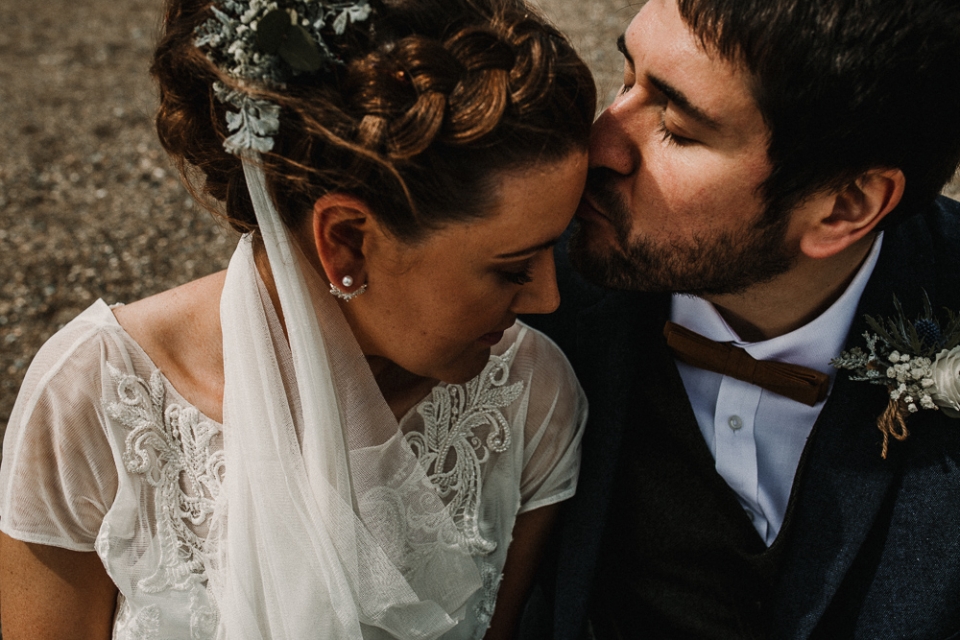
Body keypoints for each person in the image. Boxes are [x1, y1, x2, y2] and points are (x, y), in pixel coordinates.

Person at [0, 0, 597, 637]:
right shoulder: (96, 399)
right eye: (513, 268)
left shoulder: (529, 399)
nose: (548, 300)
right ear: (344, 239)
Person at [521, 0, 960, 637]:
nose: (599, 146)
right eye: (626, 79)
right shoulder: (519, 293)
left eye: (675, 126)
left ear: (844, 206)